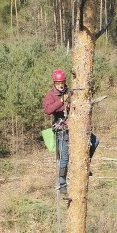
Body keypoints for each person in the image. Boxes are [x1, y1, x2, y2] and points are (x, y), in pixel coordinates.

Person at [42, 68, 98, 198]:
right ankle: (62, 185)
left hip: (76, 126)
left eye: (62, 82)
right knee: (64, 158)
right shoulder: (51, 95)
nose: (61, 85)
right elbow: (48, 110)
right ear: (54, 83)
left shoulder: (70, 92)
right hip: (62, 129)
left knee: (95, 141)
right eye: (58, 83)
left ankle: (85, 164)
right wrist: (61, 101)